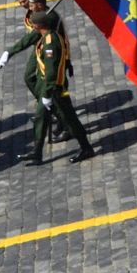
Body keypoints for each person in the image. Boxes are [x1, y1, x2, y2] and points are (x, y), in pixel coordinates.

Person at [22, 10, 94, 165]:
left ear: (38, 25)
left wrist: (47, 95)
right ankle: (36, 151)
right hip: (48, 89)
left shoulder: (50, 43)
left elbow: (52, 73)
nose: (32, 27)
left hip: (56, 89)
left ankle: (86, 148)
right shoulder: (46, 36)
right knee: (41, 117)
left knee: (70, 119)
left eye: (33, 24)